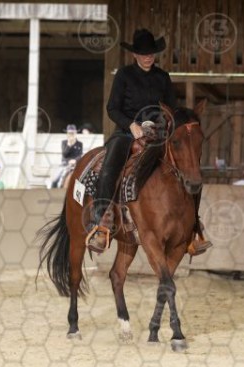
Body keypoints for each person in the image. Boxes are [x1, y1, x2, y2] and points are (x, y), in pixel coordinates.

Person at [87, 28, 212, 254]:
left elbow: (171, 110)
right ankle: (101, 223)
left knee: (189, 167)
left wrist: (164, 125)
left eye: (151, 53)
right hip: (127, 133)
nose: (148, 57)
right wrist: (131, 125)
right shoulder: (124, 75)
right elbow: (112, 108)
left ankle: (194, 227)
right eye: (143, 53)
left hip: (158, 134)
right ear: (135, 54)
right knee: (110, 165)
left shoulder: (162, 77)